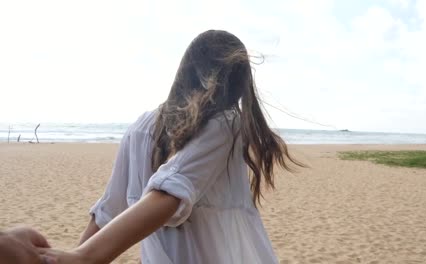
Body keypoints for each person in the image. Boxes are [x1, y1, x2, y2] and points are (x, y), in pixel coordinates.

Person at [40, 29, 301, 264]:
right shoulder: (225, 124)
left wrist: (78, 252)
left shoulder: (140, 127)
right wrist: (85, 257)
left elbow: (108, 211)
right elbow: (170, 193)